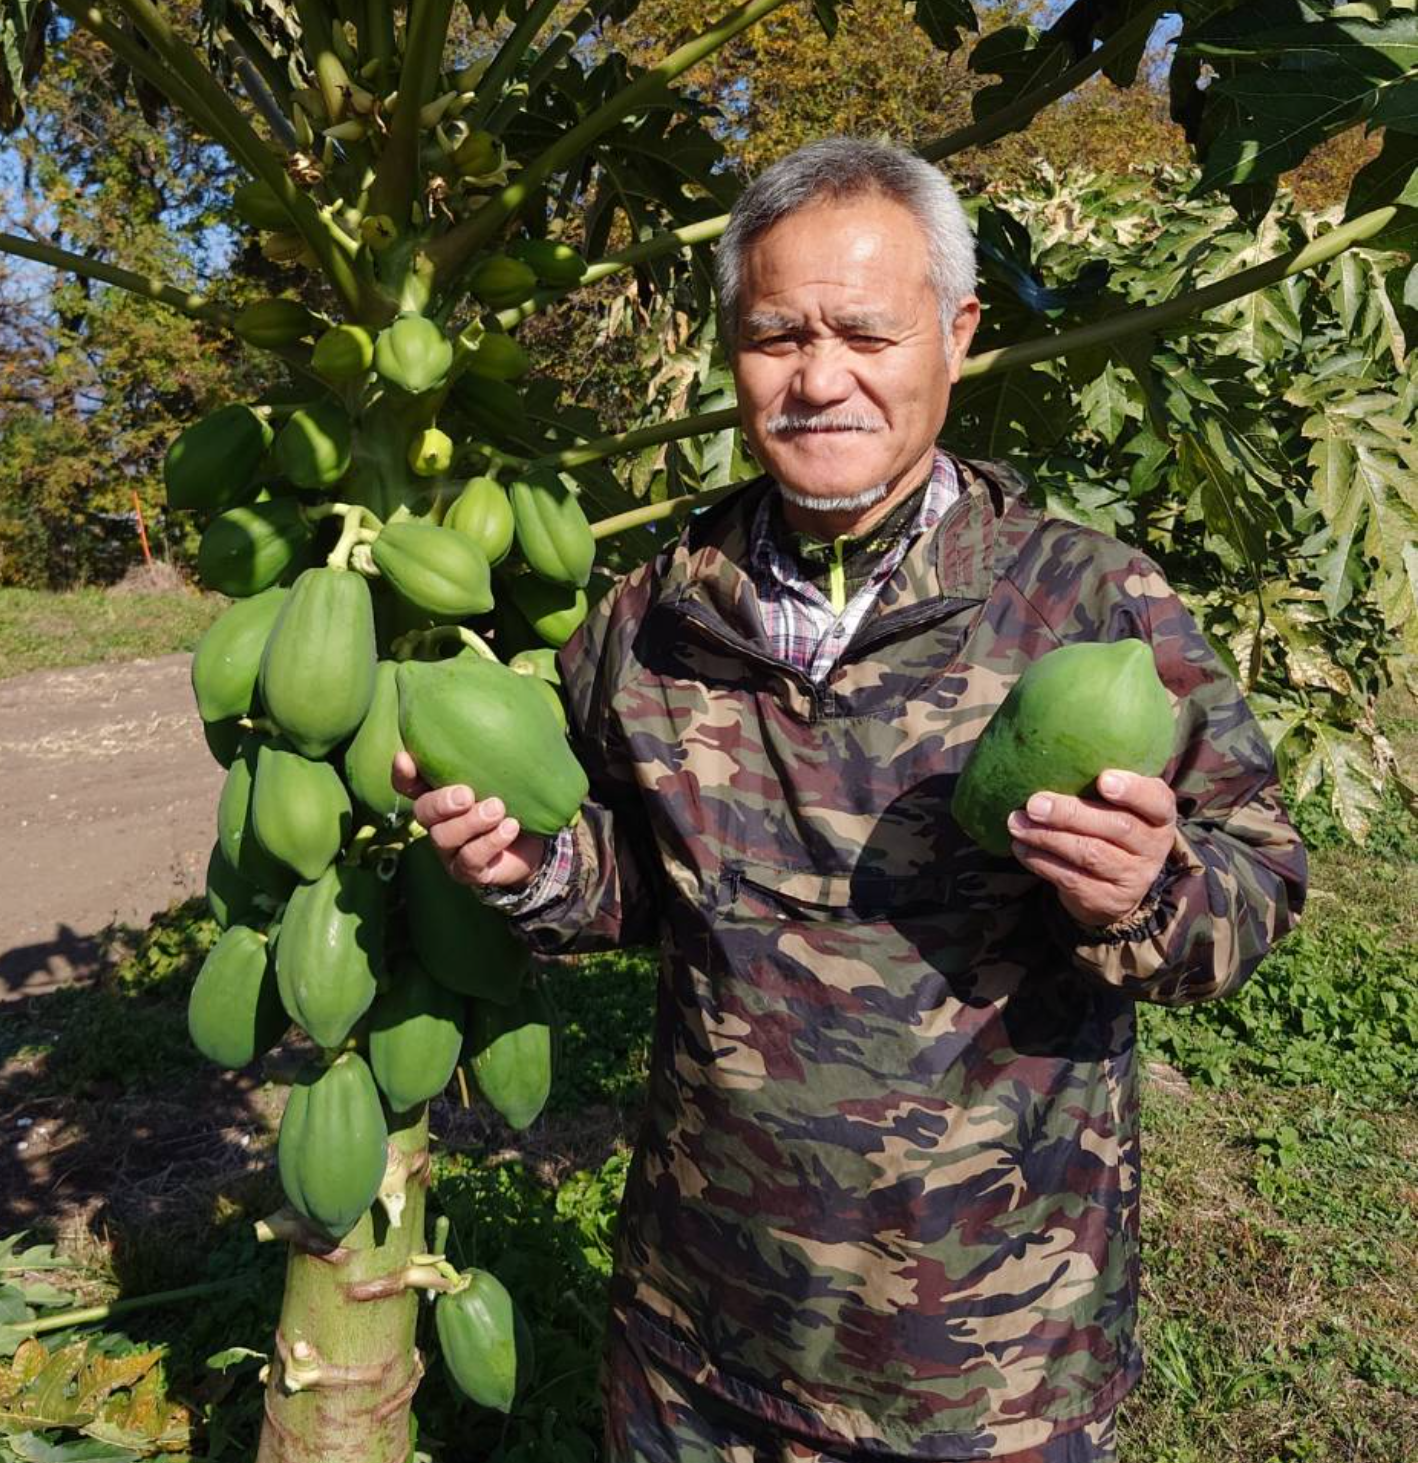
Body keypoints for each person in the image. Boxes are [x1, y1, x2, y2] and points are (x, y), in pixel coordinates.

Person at [393, 137, 1307, 1462]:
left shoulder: (1088, 601)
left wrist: (1152, 893)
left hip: (989, 1362)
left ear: (957, 332)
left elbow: (1259, 878)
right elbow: (638, 881)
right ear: (731, 347)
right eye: (778, 337)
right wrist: (528, 868)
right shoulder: (650, 616)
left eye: (867, 333)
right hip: (700, 1344)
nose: (822, 380)